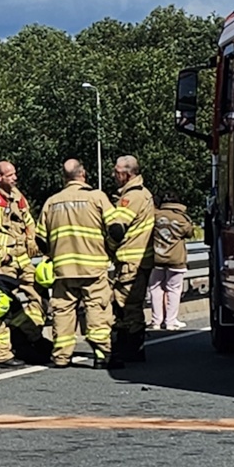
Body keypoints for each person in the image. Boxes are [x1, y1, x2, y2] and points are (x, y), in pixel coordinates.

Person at [36, 159, 114, 367]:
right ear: (83, 174)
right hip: (93, 267)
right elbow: (116, 229)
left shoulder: (52, 201)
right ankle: (101, 355)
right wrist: (110, 249)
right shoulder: (97, 197)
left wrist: (54, 254)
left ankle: (61, 356)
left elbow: (40, 239)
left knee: (62, 311)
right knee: (97, 309)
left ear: (65, 177)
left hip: (63, 269)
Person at [104, 154, 157, 364]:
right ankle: (132, 346)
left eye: (117, 172)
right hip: (137, 259)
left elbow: (117, 228)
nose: (113, 175)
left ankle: (131, 347)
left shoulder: (132, 196)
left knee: (127, 305)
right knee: (129, 304)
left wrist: (106, 246)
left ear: (127, 174)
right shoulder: (141, 193)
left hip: (131, 260)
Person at [0, 160, 45, 354]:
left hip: (23, 258)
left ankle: (34, 332)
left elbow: (28, 219)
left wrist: (31, 238)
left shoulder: (17, 196)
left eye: (15, 174)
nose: (15, 178)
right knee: (8, 302)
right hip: (5, 260)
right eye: (10, 175)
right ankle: (20, 337)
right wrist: (1, 254)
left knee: (38, 292)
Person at [147, 198, 196, 331]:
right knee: (174, 289)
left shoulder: (154, 215)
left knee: (155, 288)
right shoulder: (181, 218)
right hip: (176, 259)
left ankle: (156, 321)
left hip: (157, 257)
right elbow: (190, 233)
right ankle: (170, 321)